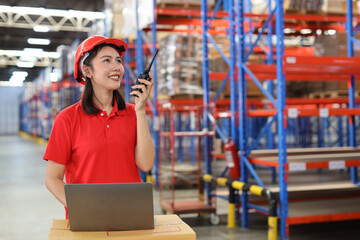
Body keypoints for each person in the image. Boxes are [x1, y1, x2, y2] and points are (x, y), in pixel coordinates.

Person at [43, 36, 155, 217]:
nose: (117, 67)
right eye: (107, 61)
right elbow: (52, 178)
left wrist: (141, 110)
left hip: (130, 214)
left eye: (118, 60)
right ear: (87, 71)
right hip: (86, 217)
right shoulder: (67, 118)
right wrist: (80, 207)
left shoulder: (134, 113)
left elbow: (146, 164)